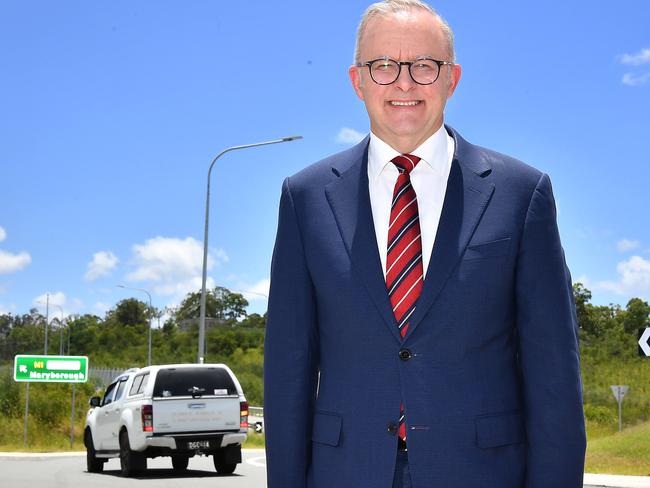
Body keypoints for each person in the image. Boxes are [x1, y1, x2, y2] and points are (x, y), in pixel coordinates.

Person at [263, 1, 586, 487]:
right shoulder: (305, 198)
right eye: (384, 66)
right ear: (358, 81)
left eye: (424, 65)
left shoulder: (522, 194)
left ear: (452, 78)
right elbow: (288, 369)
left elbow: (554, 376)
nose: (404, 82)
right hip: (345, 471)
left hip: (482, 472)